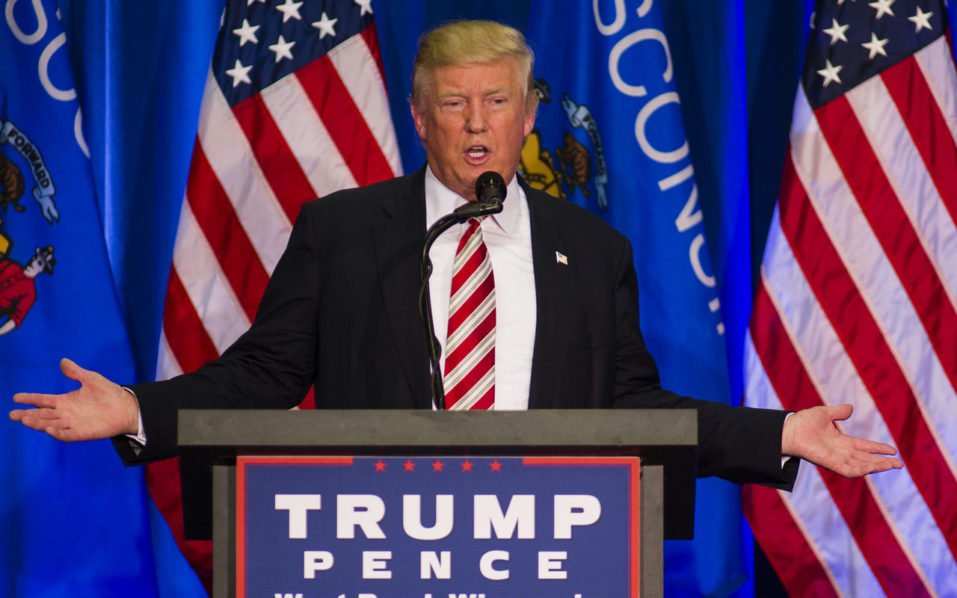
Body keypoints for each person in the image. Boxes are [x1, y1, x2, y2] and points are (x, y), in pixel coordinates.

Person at [9, 21, 901, 484]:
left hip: (552, 544)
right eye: (453, 104)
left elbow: (630, 407)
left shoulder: (591, 250)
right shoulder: (343, 232)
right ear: (418, 113)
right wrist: (133, 410)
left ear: (525, 114)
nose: (477, 124)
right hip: (375, 548)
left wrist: (777, 432)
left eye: (497, 102)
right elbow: (261, 379)